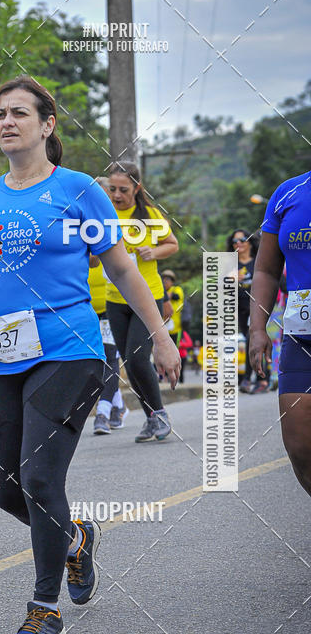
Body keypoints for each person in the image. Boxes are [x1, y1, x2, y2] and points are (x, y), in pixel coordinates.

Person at [0, 75, 181, 634]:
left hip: (69, 350)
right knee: (6, 490)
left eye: (20, 113)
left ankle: (44, 608)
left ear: (47, 125)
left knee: (39, 478)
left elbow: (123, 269)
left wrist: (160, 335)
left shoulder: (80, 191)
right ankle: (75, 539)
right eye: (0, 113)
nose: (7, 122)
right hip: (1, 356)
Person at [104, 162, 179, 442]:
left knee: (137, 358)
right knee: (128, 361)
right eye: (112, 189)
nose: (117, 195)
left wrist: (153, 251)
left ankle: (159, 413)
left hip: (148, 297)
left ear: (137, 188)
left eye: (123, 189)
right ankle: (151, 418)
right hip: (115, 299)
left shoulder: (150, 216)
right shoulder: (104, 214)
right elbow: (90, 257)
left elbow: (172, 244)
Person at [249, 170, 311, 497]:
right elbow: (266, 269)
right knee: (300, 447)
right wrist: (257, 328)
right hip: (302, 336)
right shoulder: (288, 194)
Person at [88, 251, 128, 433]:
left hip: (110, 310)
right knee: (95, 363)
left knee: (110, 357)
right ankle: (118, 405)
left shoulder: (107, 235)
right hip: (85, 310)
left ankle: (102, 413)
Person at [226, 228, 261, 393]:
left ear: (249, 241)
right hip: (241, 310)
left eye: (242, 240)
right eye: (235, 241)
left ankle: (249, 379)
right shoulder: (230, 265)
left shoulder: (259, 261)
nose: (238, 243)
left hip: (259, 308)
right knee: (252, 342)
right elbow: (222, 291)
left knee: (251, 339)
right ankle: (262, 379)